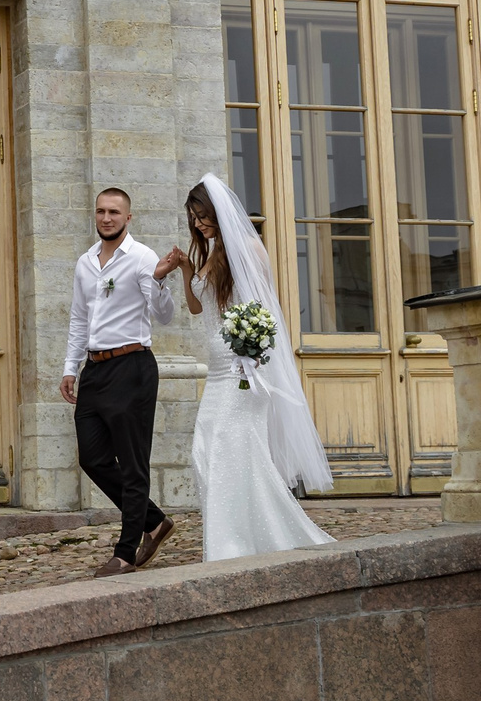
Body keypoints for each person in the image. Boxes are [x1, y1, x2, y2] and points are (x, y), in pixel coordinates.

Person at [177, 176, 334, 561]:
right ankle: (234, 537)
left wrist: (250, 349)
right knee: (206, 448)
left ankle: (234, 544)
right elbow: (198, 309)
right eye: (194, 219)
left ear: (219, 212)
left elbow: (262, 309)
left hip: (240, 366)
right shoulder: (209, 254)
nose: (199, 224)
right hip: (215, 368)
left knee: (232, 449)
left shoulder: (248, 249)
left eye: (203, 216)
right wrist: (185, 269)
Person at [61, 187, 187, 577]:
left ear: (128, 217)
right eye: (100, 211)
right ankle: (154, 521)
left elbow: (164, 316)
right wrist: (70, 367)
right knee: (93, 458)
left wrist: (160, 279)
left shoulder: (142, 257)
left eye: (114, 212)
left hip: (133, 366)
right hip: (95, 370)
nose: (106, 218)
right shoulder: (85, 262)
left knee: (133, 464)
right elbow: (80, 319)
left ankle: (126, 551)